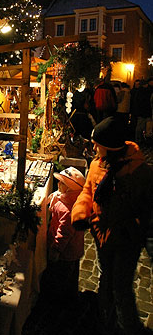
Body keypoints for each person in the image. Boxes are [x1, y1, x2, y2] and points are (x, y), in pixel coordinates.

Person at [71, 116, 153, 335]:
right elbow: (88, 192)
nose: (94, 147)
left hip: (126, 239)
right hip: (101, 235)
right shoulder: (98, 165)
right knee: (104, 278)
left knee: (121, 286)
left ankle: (130, 328)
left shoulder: (139, 172)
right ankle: (106, 323)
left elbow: (146, 209)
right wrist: (80, 212)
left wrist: (137, 228)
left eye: (97, 144)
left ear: (109, 146)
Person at [41, 166, 86, 302]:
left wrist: (56, 249)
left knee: (63, 276)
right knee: (71, 276)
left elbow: (64, 233)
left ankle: (61, 301)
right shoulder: (65, 199)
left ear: (69, 188)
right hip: (73, 250)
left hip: (66, 252)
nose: (58, 184)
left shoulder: (68, 209)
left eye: (61, 183)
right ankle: (70, 297)